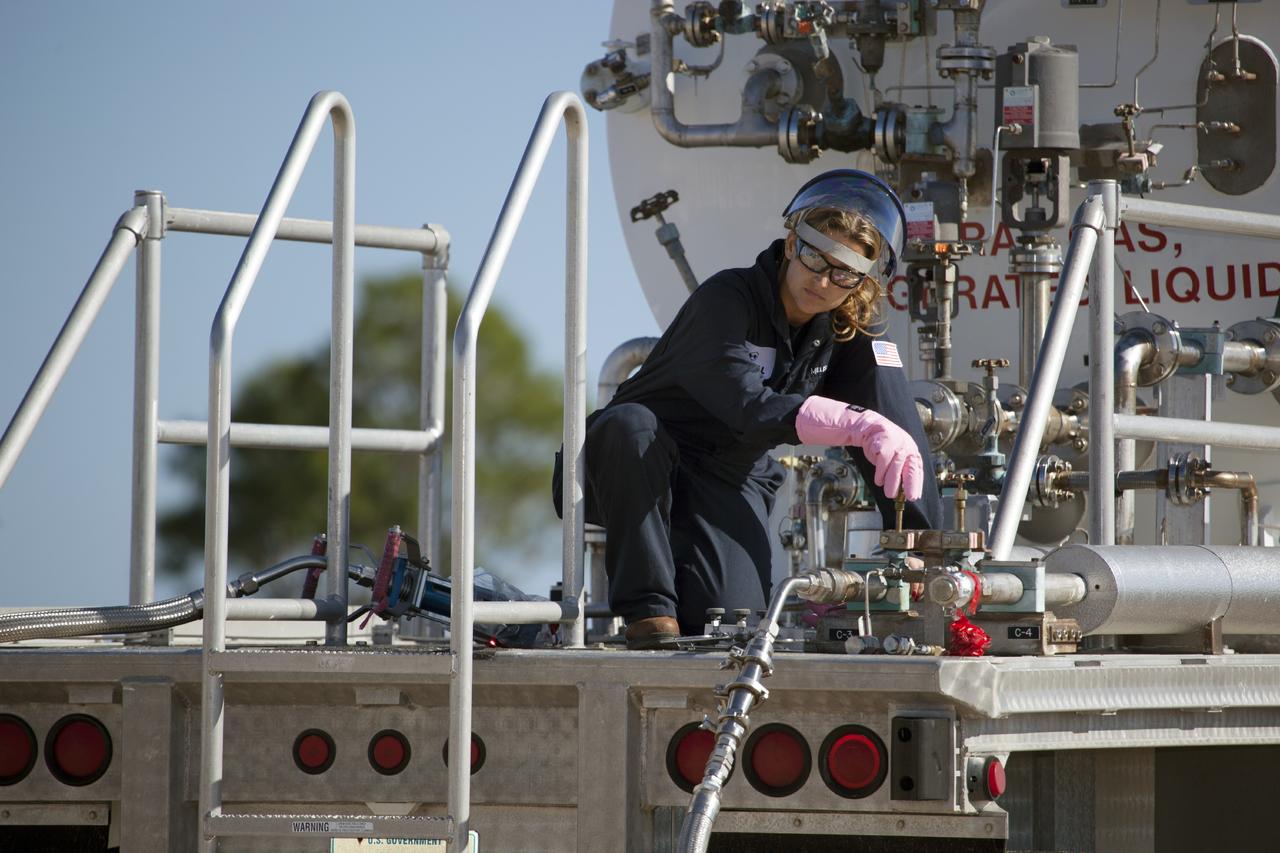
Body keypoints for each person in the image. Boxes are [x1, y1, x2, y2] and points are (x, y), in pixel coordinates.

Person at [554, 169, 941, 649]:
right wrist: (851, 423)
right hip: (635, 461)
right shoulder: (726, 298)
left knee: (731, 629)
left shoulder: (847, 333)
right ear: (789, 243)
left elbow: (897, 431)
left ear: (861, 283)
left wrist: (920, 549)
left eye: (843, 273)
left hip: (727, 476)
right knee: (632, 425)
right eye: (813, 257)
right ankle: (648, 611)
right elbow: (746, 406)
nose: (822, 280)